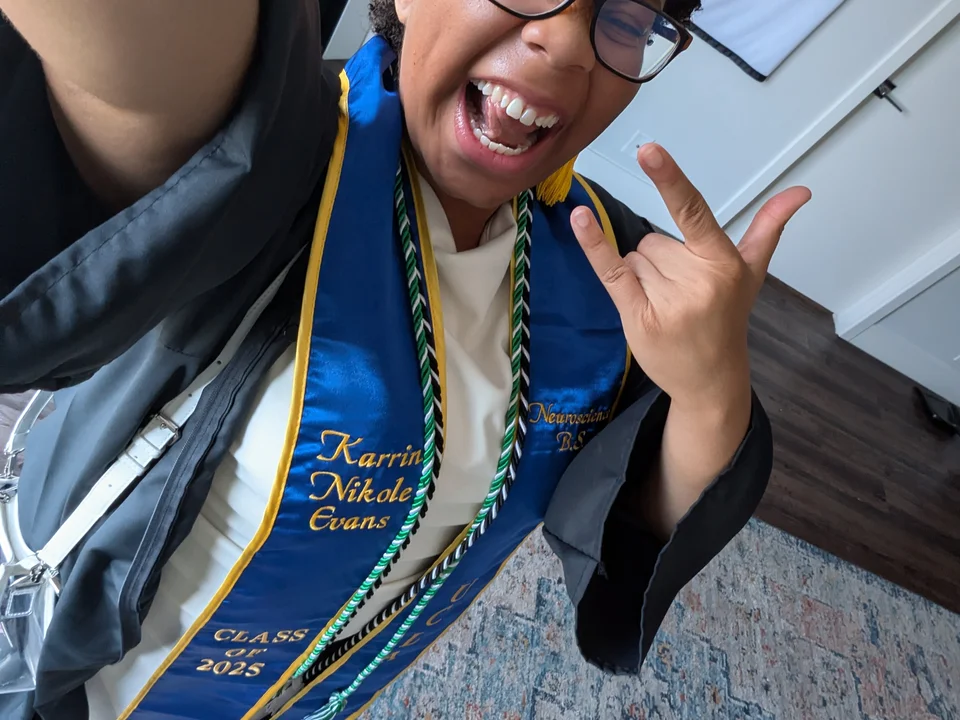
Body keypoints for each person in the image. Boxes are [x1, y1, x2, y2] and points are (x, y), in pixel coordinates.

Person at [0, 0, 810, 718]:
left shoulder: (604, 266)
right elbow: (136, 49)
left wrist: (711, 389)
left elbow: (637, 511)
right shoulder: (275, 154)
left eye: (629, 15)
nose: (567, 44)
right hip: (61, 677)